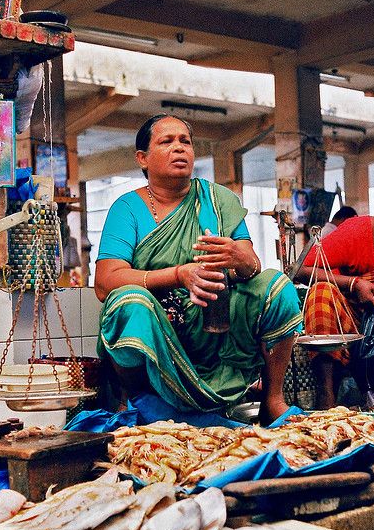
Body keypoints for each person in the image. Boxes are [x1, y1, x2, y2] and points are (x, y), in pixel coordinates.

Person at [94, 114, 303, 424]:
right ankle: (146, 403)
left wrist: (234, 256)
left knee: (277, 287)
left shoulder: (217, 200)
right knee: (128, 303)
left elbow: (252, 264)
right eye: (166, 142)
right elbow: (105, 281)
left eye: (185, 141)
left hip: (215, 322)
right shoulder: (127, 208)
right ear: (142, 159)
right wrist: (180, 275)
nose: (180, 148)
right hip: (161, 330)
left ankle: (273, 399)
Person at [296, 182, 374, 409]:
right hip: (352, 321)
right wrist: (353, 283)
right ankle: (327, 395)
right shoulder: (357, 231)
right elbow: (302, 269)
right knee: (321, 293)